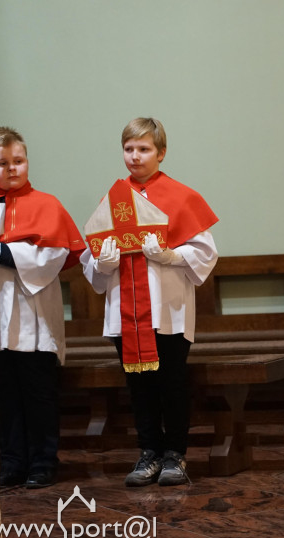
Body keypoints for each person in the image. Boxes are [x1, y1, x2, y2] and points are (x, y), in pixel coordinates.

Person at [80, 117, 218, 488]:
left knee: (172, 383)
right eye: (129, 149)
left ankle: (175, 454)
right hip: (124, 313)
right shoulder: (113, 200)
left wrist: (172, 255)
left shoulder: (182, 196)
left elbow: (206, 252)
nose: (135, 157)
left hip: (166, 310)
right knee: (138, 387)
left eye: (143, 149)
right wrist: (101, 262)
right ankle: (148, 453)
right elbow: (92, 261)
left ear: (161, 153)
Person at [0, 127, 85, 490]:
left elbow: (53, 256)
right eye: (1, 163)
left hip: (34, 313)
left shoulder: (47, 204)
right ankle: (11, 462)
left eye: (18, 161)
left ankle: (43, 461)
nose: (11, 169)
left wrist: (5, 251)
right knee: (4, 393)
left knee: (38, 393)